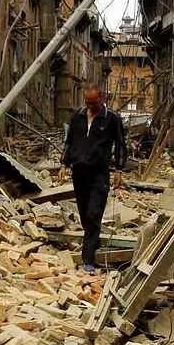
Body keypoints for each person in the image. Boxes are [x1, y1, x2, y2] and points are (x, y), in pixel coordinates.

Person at [63, 86, 126, 272]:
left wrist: (119, 170)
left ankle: (88, 259)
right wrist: (64, 164)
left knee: (94, 213)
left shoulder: (112, 118)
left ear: (102, 99)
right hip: (79, 172)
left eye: (94, 103)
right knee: (84, 213)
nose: (90, 106)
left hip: (99, 173)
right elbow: (69, 141)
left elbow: (121, 144)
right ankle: (94, 241)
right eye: (87, 103)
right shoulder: (78, 116)